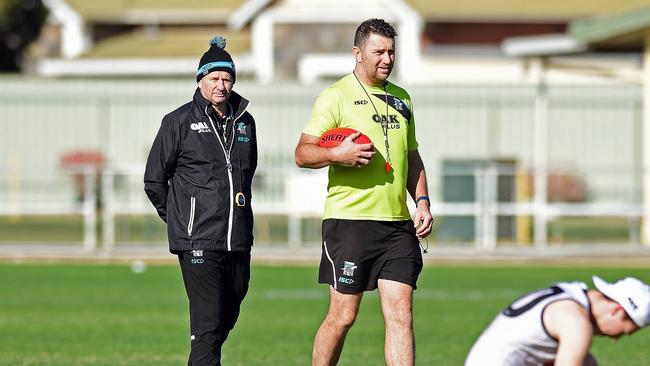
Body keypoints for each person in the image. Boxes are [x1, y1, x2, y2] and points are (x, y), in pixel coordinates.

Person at [294, 18, 434, 366]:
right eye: (378, 52)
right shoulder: (335, 97)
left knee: (401, 314)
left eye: (391, 52)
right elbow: (302, 153)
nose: (387, 59)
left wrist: (423, 202)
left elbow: (411, 157)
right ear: (358, 53)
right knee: (344, 316)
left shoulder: (402, 99)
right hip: (350, 224)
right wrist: (336, 154)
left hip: (397, 226)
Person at [144, 36, 257, 366]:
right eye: (214, 78)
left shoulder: (245, 123)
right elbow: (154, 180)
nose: (221, 85)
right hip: (197, 239)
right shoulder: (178, 122)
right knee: (207, 324)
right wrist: (182, 218)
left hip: (237, 240)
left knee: (228, 313)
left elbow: (246, 175)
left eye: (227, 78)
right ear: (200, 80)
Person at [465, 275, 650, 366]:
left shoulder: (569, 294)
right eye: (624, 331)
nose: (615, 339)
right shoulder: (576, 322)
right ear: (617, 310)